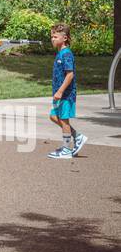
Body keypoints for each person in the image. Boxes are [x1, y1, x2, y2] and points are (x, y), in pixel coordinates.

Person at [47, 23, 86, 158]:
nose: (52, 39)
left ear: (64, 38)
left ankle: (66, 149)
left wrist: (60, 91)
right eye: (51, 36)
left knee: (64, 120)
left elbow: (70, 75)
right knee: (54, 116)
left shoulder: (66, 54)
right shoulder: (60, 53)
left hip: (66, 94)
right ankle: (77, 136)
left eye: (55, 36)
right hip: (59, 94)